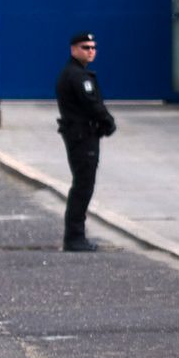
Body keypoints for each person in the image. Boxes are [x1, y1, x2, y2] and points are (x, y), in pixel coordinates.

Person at [55, 31, 116, 252]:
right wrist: (108, 122)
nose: (90, 51)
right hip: (82, 137)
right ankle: (74, 237)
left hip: (82, 135)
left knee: (82, 185)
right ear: (73, 49)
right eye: (85, 47)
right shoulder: (77, 76)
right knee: (83, 186)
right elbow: (92, 105)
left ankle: (75, 235)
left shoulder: (77, 73)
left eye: (93, 47)